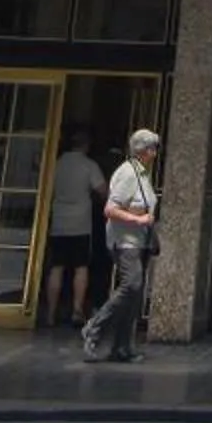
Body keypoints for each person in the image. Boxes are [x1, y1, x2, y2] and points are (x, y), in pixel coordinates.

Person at [82, 126, 160, 364]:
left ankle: (122, 347)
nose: (155, 153)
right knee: (131, 284)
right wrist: (138, 219)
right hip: (126, 241)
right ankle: (95, 326)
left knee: (135, 295)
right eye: (152, 148)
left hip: (140, 241)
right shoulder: (128, 173)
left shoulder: (142, 174)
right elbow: (111, 209)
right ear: (143, 150)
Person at [43, 125, 107, 331]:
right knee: (81, 266)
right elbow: (102, 191)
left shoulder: (57, 164)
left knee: (57, 267)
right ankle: (77, 310)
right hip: (80, 222)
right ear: (86, 145)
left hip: (59, 221)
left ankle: (51, 313)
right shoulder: (89, 166)